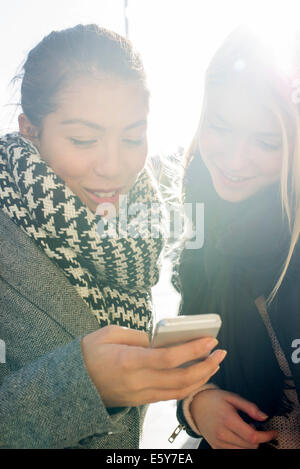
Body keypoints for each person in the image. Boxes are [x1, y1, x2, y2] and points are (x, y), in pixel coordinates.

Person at [0, 24, 227, 449]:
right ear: (30, 129)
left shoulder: (131, 239)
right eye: (83, 139)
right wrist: (82, 386)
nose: (114, 167)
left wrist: (198, 397)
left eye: (132, 137)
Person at [174, 27, 300, 449]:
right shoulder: (203, 218)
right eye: (220, 127)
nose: (234, 159)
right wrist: (197, 404)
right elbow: (186, 355)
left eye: (266, 141)